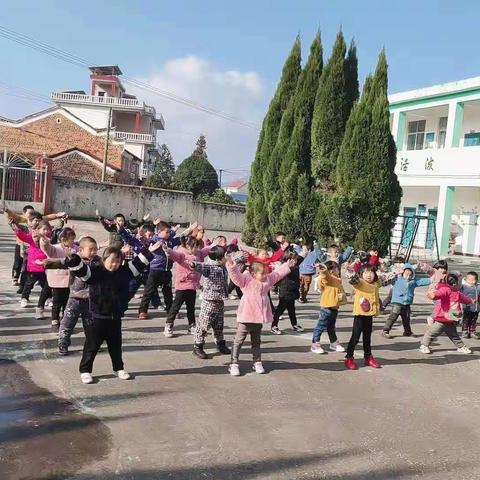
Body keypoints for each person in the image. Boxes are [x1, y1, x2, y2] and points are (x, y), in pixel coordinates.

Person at [64, 240, 163, 384]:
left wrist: (150, 251)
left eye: (117, 261)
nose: (114, 264)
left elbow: (138, 264)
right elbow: (82, 271)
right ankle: (85, 370)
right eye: (111, 261)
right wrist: (72, 259)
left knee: (116, 345)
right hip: (96, 316)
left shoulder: (124, 272)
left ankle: (118, 368)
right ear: (104, 260)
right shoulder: (96, 272)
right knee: (92, 345)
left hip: (115, 316)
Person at [226, 253, 295, 376]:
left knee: (256, 342)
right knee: (238, 341)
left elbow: (277, 274)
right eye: (262, 273)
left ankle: (257, 362)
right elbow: (235, 275)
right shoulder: (246, 280)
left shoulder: (267, 279)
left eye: (266, 273)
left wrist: (287, 265)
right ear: (253, 274)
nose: (265, 275)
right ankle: (234, 363)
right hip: (246, 318)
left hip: (258, 319)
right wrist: (231, 263)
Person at [43, 236, 101, 356]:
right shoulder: (75, 260)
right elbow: (61, 262)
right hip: (74, 298)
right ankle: (63, 344)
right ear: (81, 250)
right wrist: (46, 263)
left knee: (91, 324)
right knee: (67, 323)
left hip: (90, 299)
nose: (94, 252)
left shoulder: (98, 261)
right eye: (91, 249)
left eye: (95, 249)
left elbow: (109, 264)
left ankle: (93, 343)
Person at [164, 236, 212, 337]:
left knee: (191, 308)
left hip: (193, 285)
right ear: (188, 246)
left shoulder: (198, 253)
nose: (197, 249)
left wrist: (215, 244)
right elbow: (174, 254)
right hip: (182, 285)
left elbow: (205, 251)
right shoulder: (181, 253)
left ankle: (191, 326)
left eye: (197, 247)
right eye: (195, 247)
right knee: (175, 307)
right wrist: (167, 250)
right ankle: (168, 325)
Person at [190, 246, 231, 359]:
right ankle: (198, 346)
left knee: (219, 325)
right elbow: (202, 266)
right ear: (219, 258)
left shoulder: (223, 266)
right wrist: (194, 265)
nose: (228, 257)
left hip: (220, 300)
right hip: (209, 301)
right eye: (225, 255)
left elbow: (235, 260)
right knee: (204, 325)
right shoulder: (211, 266)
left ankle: (220, 343)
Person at [344, 265, 387, 370]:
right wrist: (351, 274)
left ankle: (368, 357)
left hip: (369, 315)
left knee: (367, 337)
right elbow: (354, 281)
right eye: (366, 272)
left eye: (371, 272)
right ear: (361, 274)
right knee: (355, 337)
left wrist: (397, 272)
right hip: (359, 315)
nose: (369, 275)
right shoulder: (361, 283)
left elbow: (386, 280)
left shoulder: (376, 284)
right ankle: (349, 357)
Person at [6, 217, 52, 314]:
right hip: (34, 267)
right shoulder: (32, 238)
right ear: (38, 230)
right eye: (44, 229)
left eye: (48, 229)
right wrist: (16, 230)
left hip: (44, 267)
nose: (46, 231)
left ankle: (49, 298)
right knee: (28, 285)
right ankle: (24, 298)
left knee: (46, 286)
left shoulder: (48, 240)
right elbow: (23, 236)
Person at [420, 273, 474, 355]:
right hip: (442, 318)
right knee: (431, 333)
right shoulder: (445, 289)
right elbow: (438, 294)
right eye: (459, 282)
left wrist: (471, 301)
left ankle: (461, 347)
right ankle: (424, 345)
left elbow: (464, 298)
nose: (460, 284)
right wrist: (433, 295)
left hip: (451, 319)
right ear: (454, 283)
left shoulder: (457, 292)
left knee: (454, 335)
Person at [39, 227, 78, 331]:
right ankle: (55, 321)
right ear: (63, 239)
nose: (73, 241)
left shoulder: (74, 249)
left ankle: (65, 321)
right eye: (71, 239)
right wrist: (45, 242)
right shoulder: (56, 248)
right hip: (57, 281)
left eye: (73, 239)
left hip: (69, 281)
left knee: (67, 303)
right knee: (56, 302)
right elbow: (48, 249)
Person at [381, 263, 431, 339]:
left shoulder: (413, 282)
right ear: (403, 273)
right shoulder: (397, 278)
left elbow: (424, 281)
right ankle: (386, 330)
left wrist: (434, 279)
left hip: (407, 303)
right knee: (392, 317)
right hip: (397, 303)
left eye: (410, 275)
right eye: (406, 274)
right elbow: (386, 280)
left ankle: (407, 332)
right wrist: (396, 273)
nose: (408, 277)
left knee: (406, 319)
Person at [311, 261, 347, 354]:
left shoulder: (337, 280)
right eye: (336, 269)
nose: (338, 270)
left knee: (331, 327)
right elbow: (325, 276)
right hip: (326, 307)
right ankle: (315, 344)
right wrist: (323, 269)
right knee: (320, 326)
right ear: (331, 271)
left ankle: (333, 343)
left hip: (334, 307)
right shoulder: (329, 279)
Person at [271, 250, 304, 334]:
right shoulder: (284, 267)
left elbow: (301, 258)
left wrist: (304, 250)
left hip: (293, 290)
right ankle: (274, 326)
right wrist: (287, 265)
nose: (296, 261)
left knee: (292, 309)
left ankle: (294, 324)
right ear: (288, 259)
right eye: (294, 259)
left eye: (296, 259)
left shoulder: (296, 264)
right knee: (280, 309)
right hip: (285, 291)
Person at [460, 272, 480, 339]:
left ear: (476, 280)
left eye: (473, 280)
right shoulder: (463, 286)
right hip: (466, 307)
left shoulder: (478, 287)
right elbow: (458, 292)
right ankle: (465, 331)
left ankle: (472, 331)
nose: (471, 281)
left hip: (476, 308)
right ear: (466, 279)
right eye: (469, 279)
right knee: (466, 320)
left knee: (473, 320)